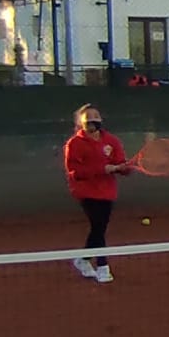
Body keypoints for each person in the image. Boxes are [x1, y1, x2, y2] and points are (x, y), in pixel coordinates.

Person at [62, 104, 132, 282]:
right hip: (85, 192)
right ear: (81, 122)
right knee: (98, 227)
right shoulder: (74, 144)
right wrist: (102, 169)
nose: (92, 119)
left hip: (107, 192)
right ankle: (103, 266)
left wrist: (123, 168)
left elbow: (121, 163)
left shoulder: (112, 141)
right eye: (88, 117)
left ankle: (83, 260)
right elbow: (75, 172)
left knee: (98, 228)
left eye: (95, 116)